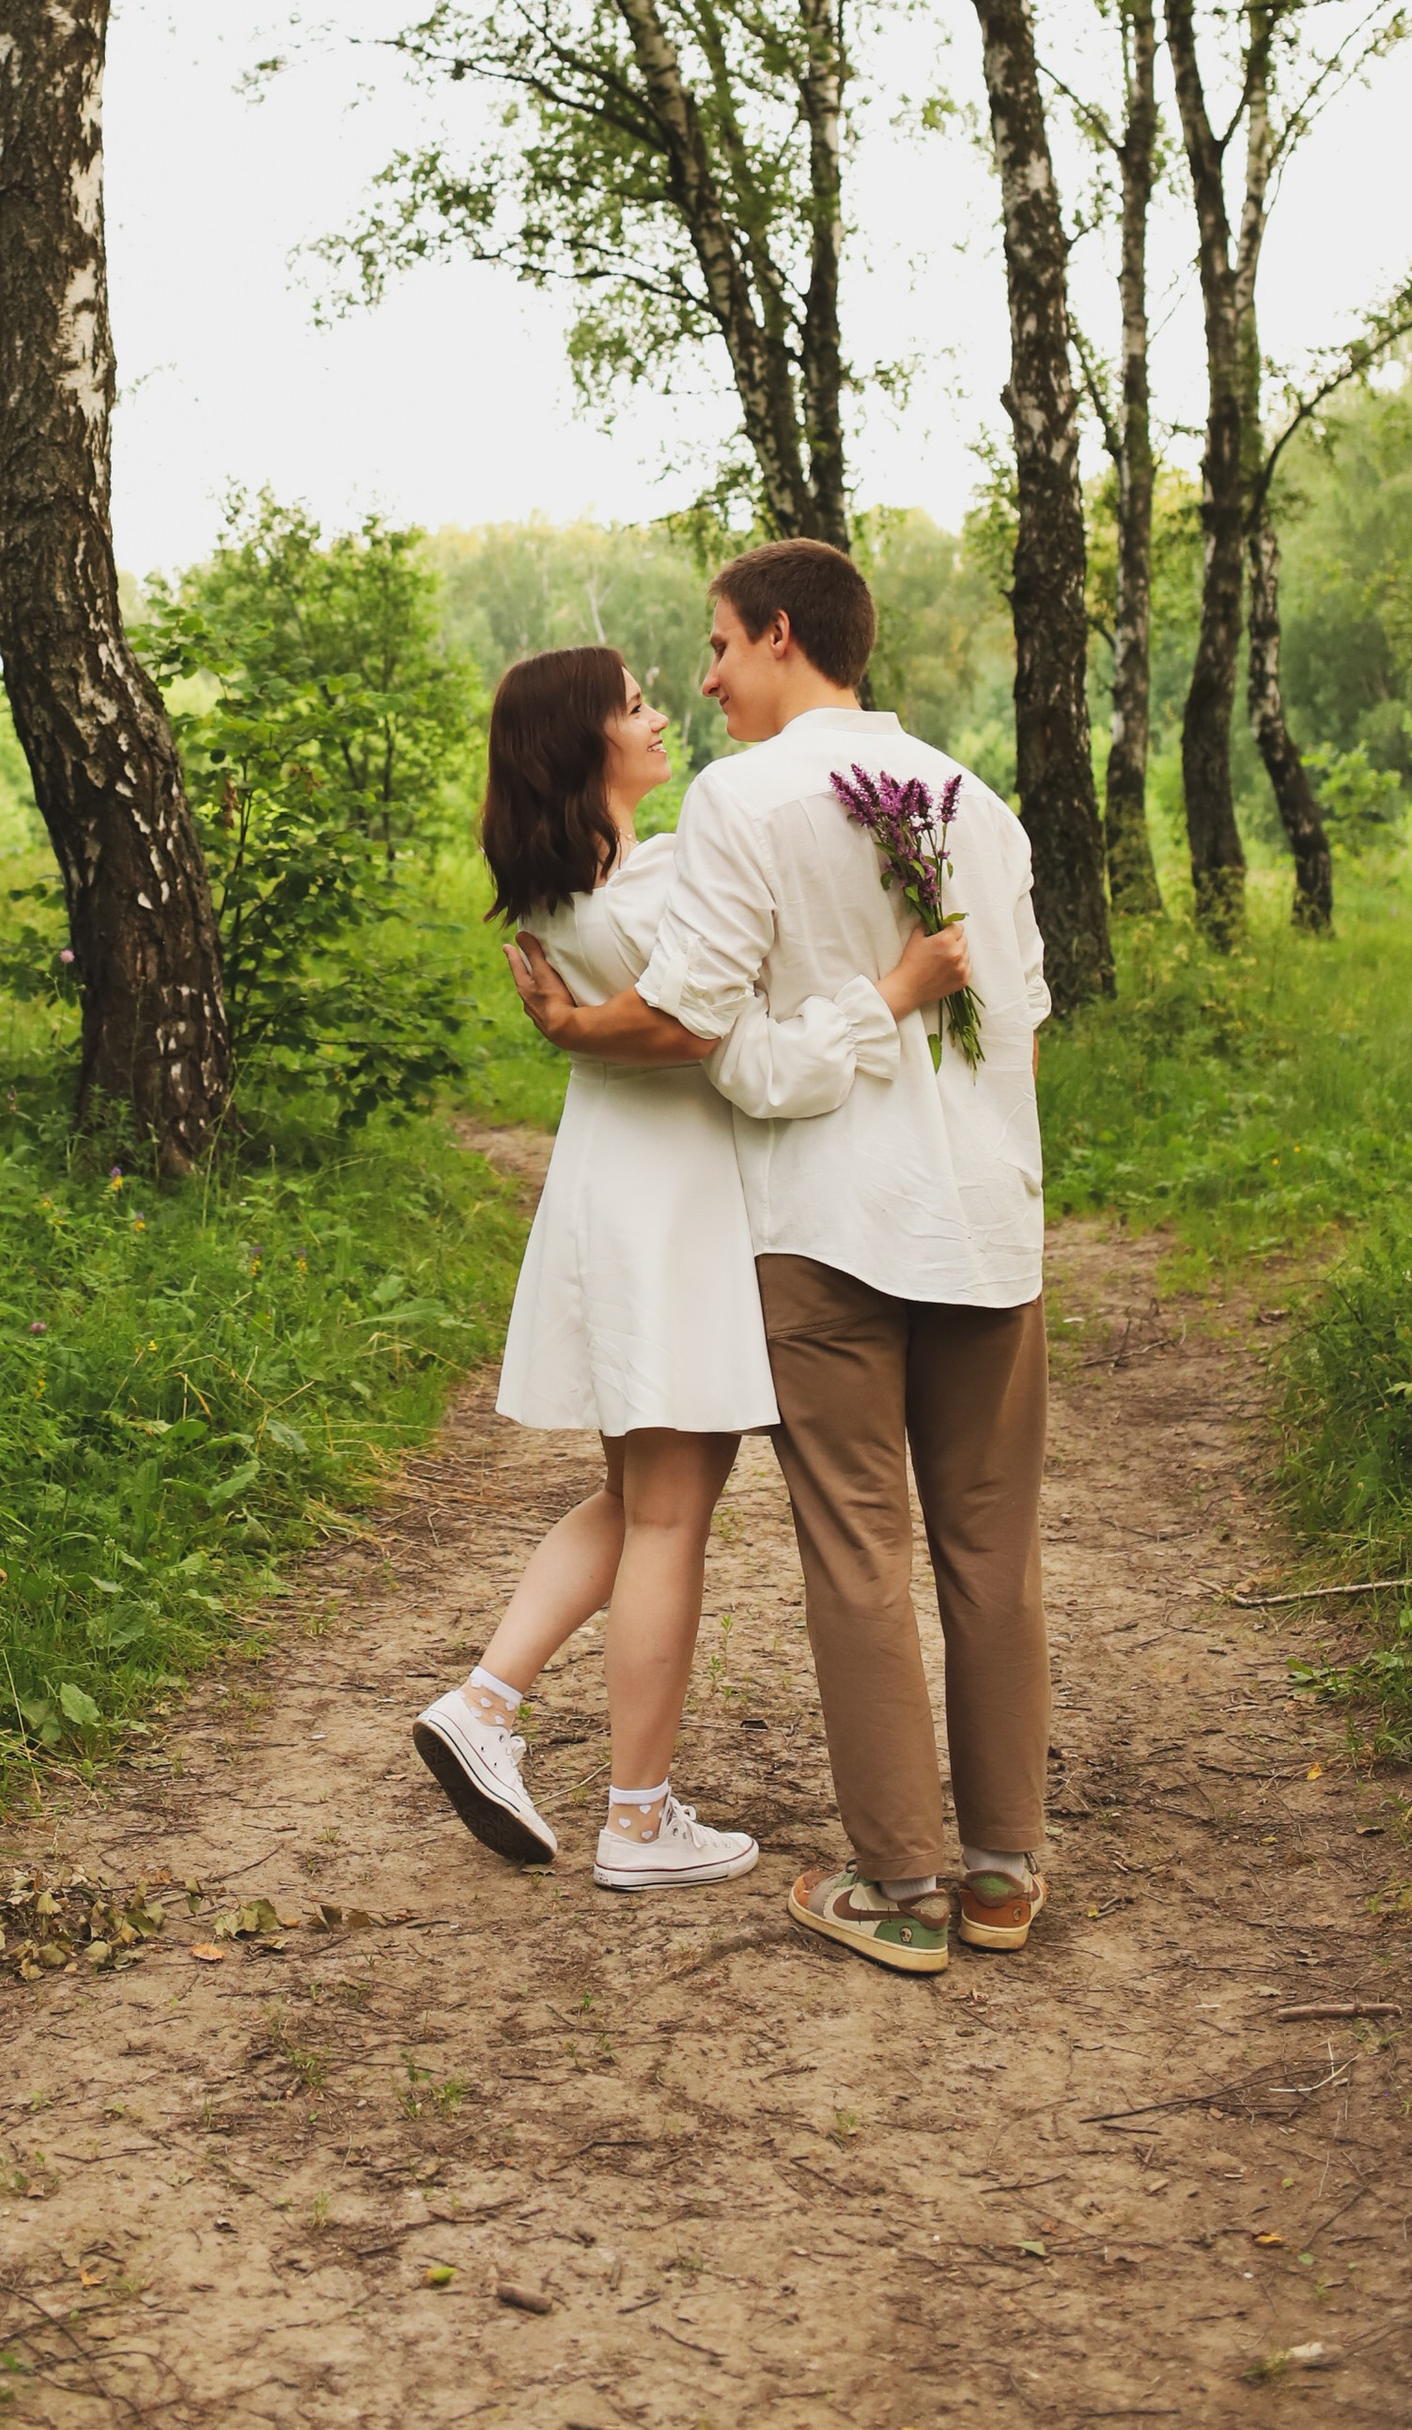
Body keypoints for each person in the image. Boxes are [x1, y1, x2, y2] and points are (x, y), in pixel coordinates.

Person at [512, 538, 1049, 1980]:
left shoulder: (739, 798)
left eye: (717, 643)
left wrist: (576, 1029)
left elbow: (702, 1032)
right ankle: (1004, 1874)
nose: (703, 679)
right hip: (987, 1219)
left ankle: (902, 1887)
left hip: (829, 1227)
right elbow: (1024, 1013)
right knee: (992, 1548)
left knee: (859, 1549)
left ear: (781, 633)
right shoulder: (978, 803)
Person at [413, 641, 972, 1895]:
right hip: (671, 1209)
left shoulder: (573, 893)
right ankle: (631, 1811)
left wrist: (584, 1026)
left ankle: (486, 1703)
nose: (661, 715)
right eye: (633, 706)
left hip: (618, 1196)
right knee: (668, 1511)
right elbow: (747, 1045)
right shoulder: (653, 891)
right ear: (584, 745)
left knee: (633, 1497)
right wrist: (896, 987)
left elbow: (669, 1021)